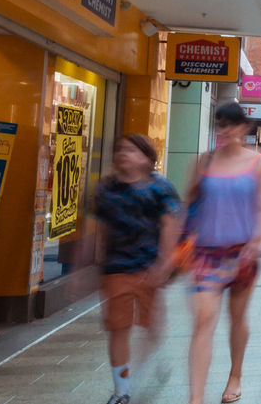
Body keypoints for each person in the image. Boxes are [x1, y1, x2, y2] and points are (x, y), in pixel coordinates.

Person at [184, 102, 261, 404]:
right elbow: (188, 206)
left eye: (231, 124)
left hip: (241, 254)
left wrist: (256, 241)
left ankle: (235, 375)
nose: (225, 131)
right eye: (220, 125)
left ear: (243, 128)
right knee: (203, 320)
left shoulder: (260, 161)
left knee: (237, 319)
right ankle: (196, 398)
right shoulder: (204, 162)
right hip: (206, 254)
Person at [93, 134, 181, 404]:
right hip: (116, 268)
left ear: (147, 158)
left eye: (130, 150)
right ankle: (122, 391)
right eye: (119, 149)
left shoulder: (161, 187)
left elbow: (170, 225)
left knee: (151, 326)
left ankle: (147, 365)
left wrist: (164, 264)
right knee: (119, 328)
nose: (123, 154)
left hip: (149, 267)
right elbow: (100, 228)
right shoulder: (106, 188)